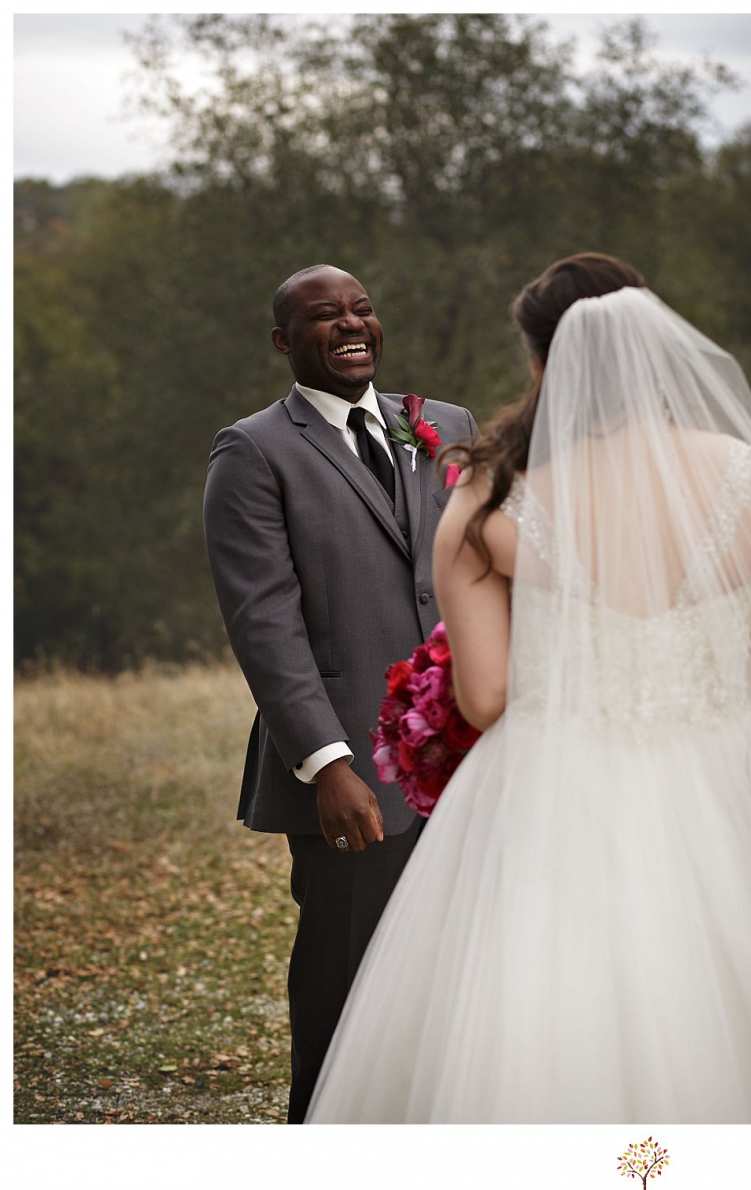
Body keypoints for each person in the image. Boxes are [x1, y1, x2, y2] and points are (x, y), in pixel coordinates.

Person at [307, 253, 751, 1123]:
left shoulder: (490, 499)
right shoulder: (749, 474)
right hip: (730, 770)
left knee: (542, 1010)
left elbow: (483, 698)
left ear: (545, 361)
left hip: (558, 786)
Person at [203, 263, 477, 1122]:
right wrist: (328, 763)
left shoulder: (444, 425)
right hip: (353, 775)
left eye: (362, 308)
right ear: (286, 341)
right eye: (324, 317)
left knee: (462, 983)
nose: (351, 325)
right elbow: (264, 622)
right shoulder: (252, 450)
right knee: (345, 982)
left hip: (468, 761)